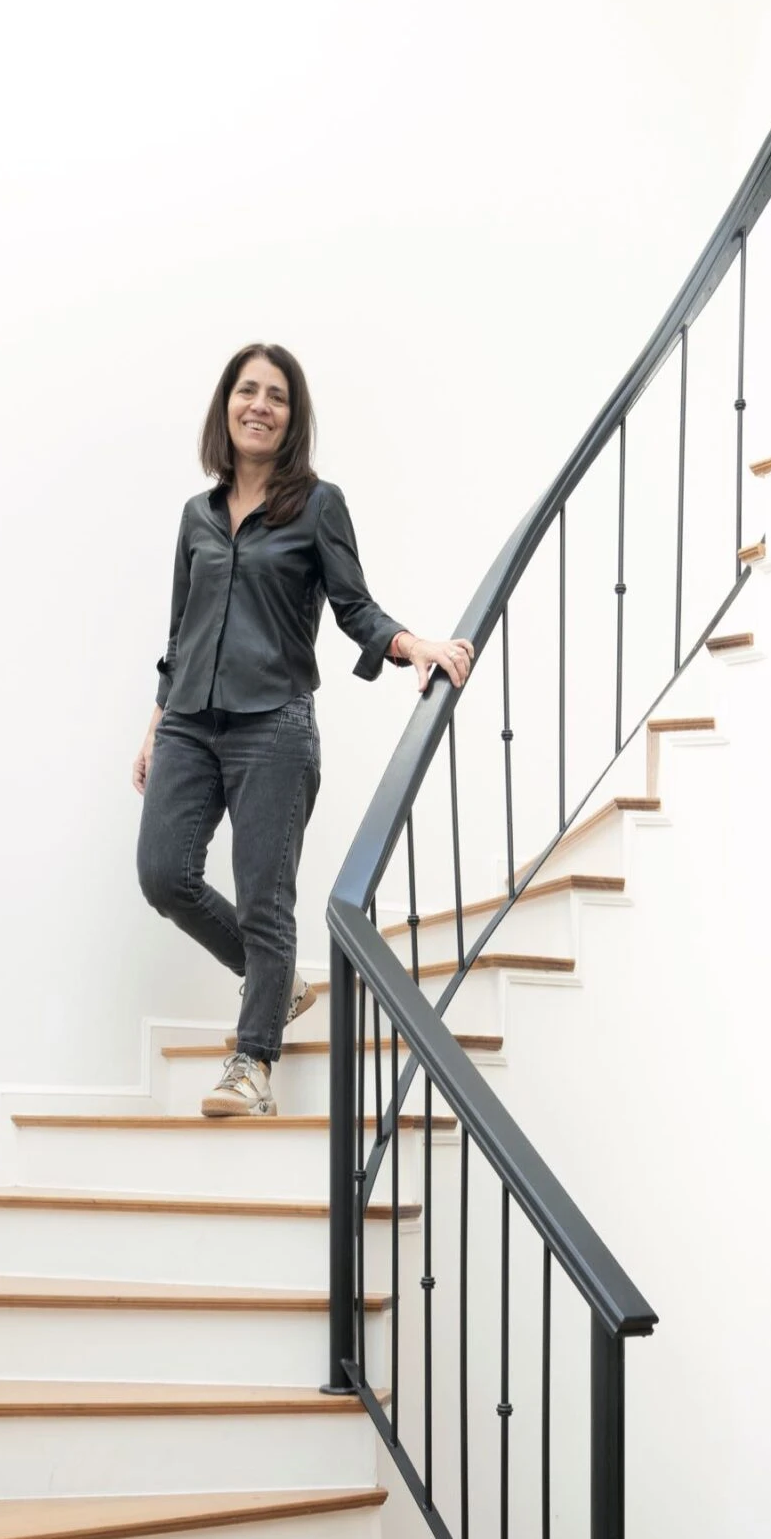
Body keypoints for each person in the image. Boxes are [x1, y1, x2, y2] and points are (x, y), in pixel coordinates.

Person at [134, 342, 473, 1116]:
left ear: (293, 418)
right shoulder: (197, 515)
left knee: (265, 898)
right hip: (189, 721)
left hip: (273, 725)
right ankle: (278, 985)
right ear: (226, 405)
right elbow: (180, 632)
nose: (260, 405)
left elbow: (353, 606)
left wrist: (410, 643)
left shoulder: (318, 504)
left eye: (276, 396)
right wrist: (156, 722)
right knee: (164, 875)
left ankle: (252, 1064)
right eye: (247, 391)